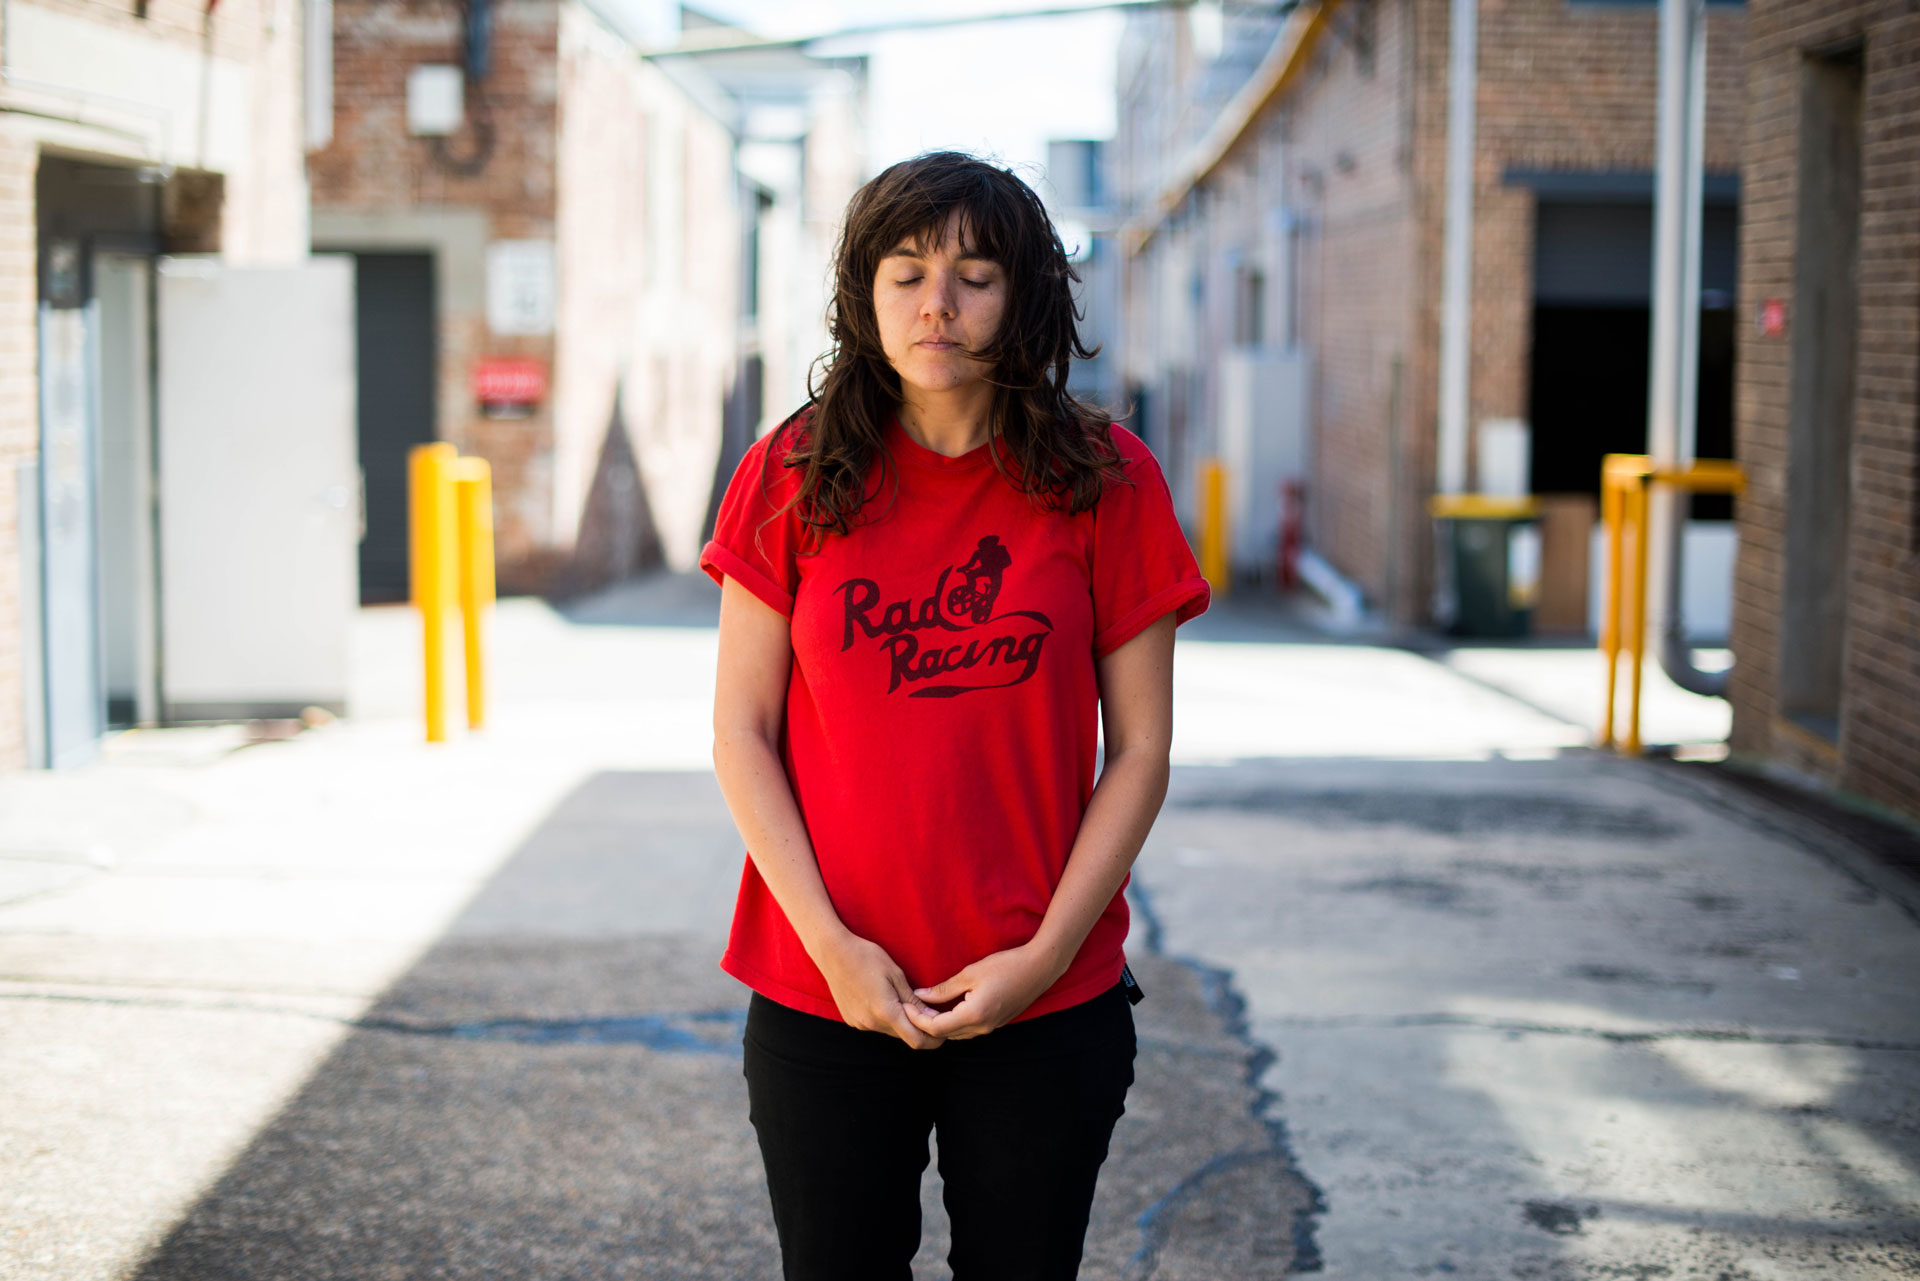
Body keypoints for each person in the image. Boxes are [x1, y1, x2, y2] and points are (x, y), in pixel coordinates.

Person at [702, 150, 1211, 1281]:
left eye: (975, 275)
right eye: (906, 272)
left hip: (1043, 996)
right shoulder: (791, 471)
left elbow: (1141, 750)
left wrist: (1045, 957)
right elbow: (742, 732)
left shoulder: (1108, 478)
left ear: (1023, 295)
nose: (938, 303)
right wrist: (833, 950)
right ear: (864, 294)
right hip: (826, 987)